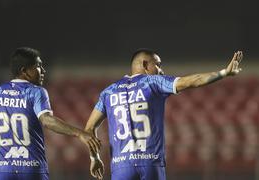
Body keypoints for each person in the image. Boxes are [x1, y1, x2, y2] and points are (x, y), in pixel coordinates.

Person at [85, 49, 243, 180]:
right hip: (150, 163)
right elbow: (192, 80)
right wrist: (223, 72)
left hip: (120, 168)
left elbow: (89, 129)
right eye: (158, 64)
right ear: (145, 65)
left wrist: (95, 158)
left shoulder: (108, 93)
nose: (161, 70)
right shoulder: (153, 82)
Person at [0, 47, 101, 180]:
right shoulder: (35, 92)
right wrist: (79, 133)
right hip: (31, 169)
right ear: (25, 71)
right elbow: (46, 120)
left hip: (3, 171)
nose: (43, 70)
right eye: (38, 66)